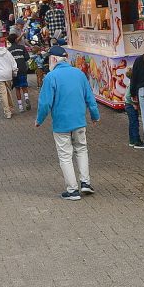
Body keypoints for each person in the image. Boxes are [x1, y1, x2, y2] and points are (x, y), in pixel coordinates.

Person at [35, 46, 100, 200]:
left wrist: (39, 120)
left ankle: (72, 191)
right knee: (82, 150)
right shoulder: (79, 74)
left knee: (65, 156)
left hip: (61, 123)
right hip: (79, 121)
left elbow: (45, 103)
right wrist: (95, 115)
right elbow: (90, 98)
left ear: (53, 59)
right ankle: (85, 182)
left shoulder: (51, 77)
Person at [7, 33, 31, 114]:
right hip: (23, 69)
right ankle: (26, 97)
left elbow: (8, 62)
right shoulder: (22, 47)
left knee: (17, 88)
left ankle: (20, 106)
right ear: (16, 40)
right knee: (24, 86)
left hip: (15, 71)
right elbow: (27, 57)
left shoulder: (9, 50)